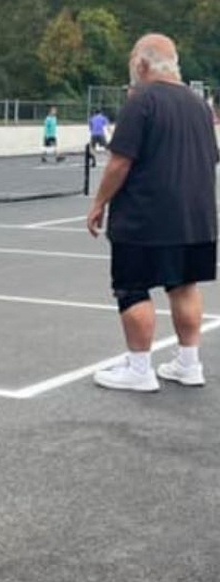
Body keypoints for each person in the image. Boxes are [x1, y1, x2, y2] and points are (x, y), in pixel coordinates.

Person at [87, 33, 218, 391]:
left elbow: (119, 162)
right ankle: (189, 364)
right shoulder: (200, 106)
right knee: (184, 285)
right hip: (196, 218)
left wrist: (99, 203)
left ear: (142, 65)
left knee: (132, 288)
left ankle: (139, 368)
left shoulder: (141, 101)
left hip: (145, 217)